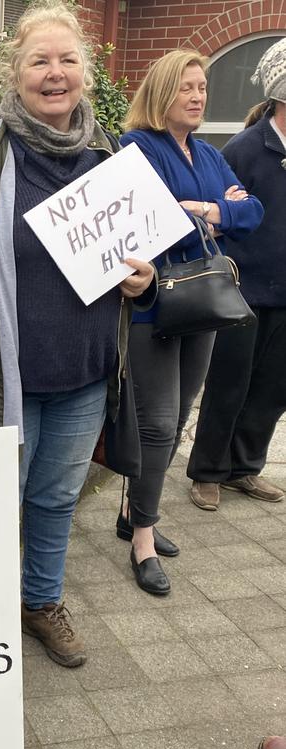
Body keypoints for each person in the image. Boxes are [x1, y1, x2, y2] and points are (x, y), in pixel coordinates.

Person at [0, 0, 155, 668]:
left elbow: (141, 254)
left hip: (86, 371)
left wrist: (142, 279)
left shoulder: (109, 154)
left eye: (67, 59)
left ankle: (40, 600)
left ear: (86, 70)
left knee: (55, 499)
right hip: (8, 376)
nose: (54, 74)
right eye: (38, 61)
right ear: (14, 74)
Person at [118, 51, 263, 594]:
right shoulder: (138, 146)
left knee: (178, 416)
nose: (199, 96)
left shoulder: (208, 152)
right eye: (187, 87)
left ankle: (132, 510)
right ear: (161, 92)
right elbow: (152, 220)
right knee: (155, 425)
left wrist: (204, 210)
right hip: (154, 303)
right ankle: (143, 539)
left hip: (203, 303)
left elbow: (253, 214)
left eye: (202, 87)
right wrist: (213, 213)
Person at [188, 38, 286, 511]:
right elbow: (227, 217)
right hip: (243, 290)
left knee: (273, 387)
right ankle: (208, 471)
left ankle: (245, 468)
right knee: (229, 383)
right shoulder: (248, 148)